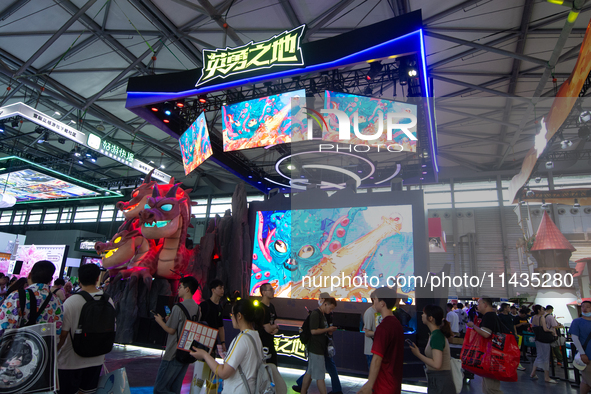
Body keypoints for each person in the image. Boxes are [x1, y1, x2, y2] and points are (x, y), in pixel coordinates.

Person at [56, 264, 114, 394]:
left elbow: (64, 334)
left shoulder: (72, 301)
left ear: (79, 279)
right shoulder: (108, 300)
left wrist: (55, 352)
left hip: (70, 360)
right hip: (96, 359)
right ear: (97, 278)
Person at [190, 298, 264, 393]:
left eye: (232, 314)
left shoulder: (242, 339)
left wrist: (204, 355)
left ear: (239, 316)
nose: (231, 318)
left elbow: (223, 373)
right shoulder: (255, 335)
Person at [153, 276, 200, 394]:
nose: (178, 289)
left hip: (173, 353)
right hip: (186, 352)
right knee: (175, 387)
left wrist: (160, 321)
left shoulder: (178, 308)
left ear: (187, 289)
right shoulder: (198, 309)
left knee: (160, 389)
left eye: (181, 287)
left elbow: (171, 330)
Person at [293, 293, 343, 394]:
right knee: (320, 376)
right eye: (331, 308)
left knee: (309, 373)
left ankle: (303, 391)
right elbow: (313, 331)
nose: (331, 311)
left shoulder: (323, 315)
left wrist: (328, 331)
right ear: (325, 304)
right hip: (316, 349)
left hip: (318, 348)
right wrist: (327, 329)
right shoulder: (316, 314)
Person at [358, 286, 404, 394]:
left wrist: (369, 384)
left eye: (376, 299)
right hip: (394, 383)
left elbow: (377, 359)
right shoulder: (397, 324)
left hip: (383, 386)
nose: (374, 301)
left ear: (382, 303)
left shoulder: (383, 328)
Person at [0, 260, 63, 335]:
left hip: (18, 345)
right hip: (43, 346)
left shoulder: (17, 296)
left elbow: (4, 326)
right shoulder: (57, 301)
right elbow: (57, 331)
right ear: (51, 280)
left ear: (29, 275)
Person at [466, 297, 511, 394]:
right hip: (495, 355)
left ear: (485, 304)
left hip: (492, 357)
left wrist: (473, 326)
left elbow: (486, 333)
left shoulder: (489, 316)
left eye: (479, 304)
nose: (477, 306)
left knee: (491, 388)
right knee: (487, 386)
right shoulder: (492, 316)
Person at [408, 305, 454, 394]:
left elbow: (437, 364)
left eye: (424, 314)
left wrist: (418, 354)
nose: (421, 315)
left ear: (430, 318)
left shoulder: (436, 336)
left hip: (440, 380)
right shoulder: (434, 334)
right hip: (438, 379)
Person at [529, 304, 556, 383]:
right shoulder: (542, 318)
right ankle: (546, 377)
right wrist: (551, 331)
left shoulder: (533, 318)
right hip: (544, 339)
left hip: (538, 339)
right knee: (546, 358)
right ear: (539, 310)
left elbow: (533, 327)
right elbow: (545, 329)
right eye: (542, 309)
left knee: (539, 356)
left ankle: (533, 373)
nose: (543, 311)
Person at [200, 279, 226, 355]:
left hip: (213, 341)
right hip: (203, 340)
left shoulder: (220, 307)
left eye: (223, 288)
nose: (222, 290)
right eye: (220, 288)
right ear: (213, 290)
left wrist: (223, 342)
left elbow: (220, 326)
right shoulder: (204, 305)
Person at [570, 300, 591, 394]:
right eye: (583, 306)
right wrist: (582, 353)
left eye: (587, 307)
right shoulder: (577, 321)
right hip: (586, 354)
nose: (585, 308)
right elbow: (575, 338)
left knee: (585, 381)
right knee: (588, 377)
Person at [258, 283, 279, 365]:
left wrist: (275, 327)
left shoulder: (272, 307)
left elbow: (275, 323)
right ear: (264, 292)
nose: (273, 291)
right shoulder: (260, 308)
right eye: (270, 289)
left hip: (271, 342)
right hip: (262, 344)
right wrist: (275, 327)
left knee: (273, 365)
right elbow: (268, 329)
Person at [363, 291, 379, 370]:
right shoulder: (369, 312)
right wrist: (380, 333)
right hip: (371, 350)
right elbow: (367, 332)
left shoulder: (380, 312)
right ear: (373, 299)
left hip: (378, 349)